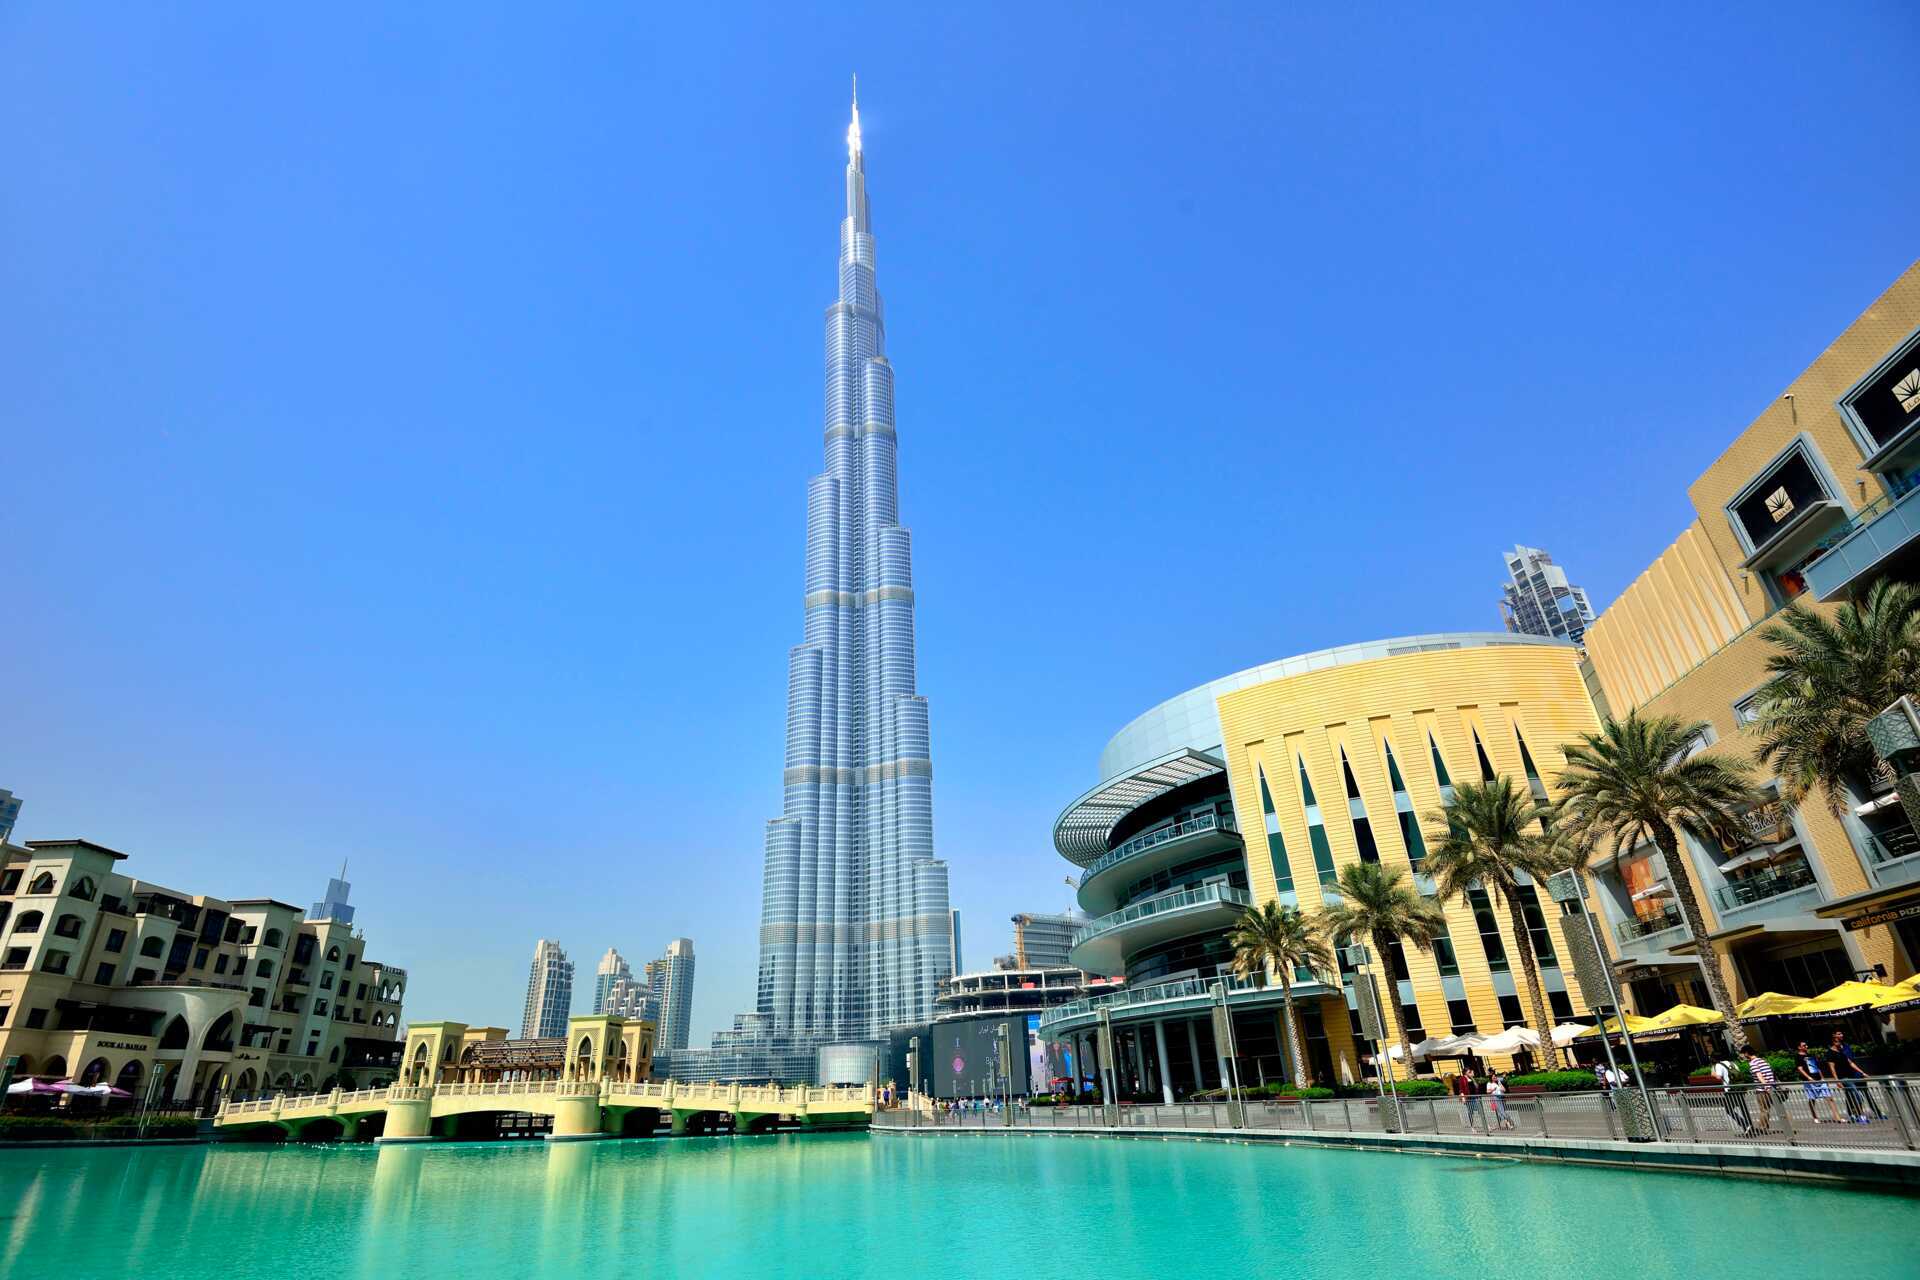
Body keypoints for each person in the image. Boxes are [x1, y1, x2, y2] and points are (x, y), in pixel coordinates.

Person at [1827, 1032, 1882, 1122]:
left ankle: (1854, 1115)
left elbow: (1851, 1063)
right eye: (1837, 1042)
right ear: (1833, 1042)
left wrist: (1862, 1072)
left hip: (1851, 1075)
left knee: (1852, 1095)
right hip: (1843, 1078)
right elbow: (1832, 1068)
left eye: (1839, 1042)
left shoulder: (1842, 1051)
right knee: (1857, 1096)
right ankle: (1861, 1116)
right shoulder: (1830, 1053)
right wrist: (1837, 1081)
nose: (1839, 1044)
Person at [1796, 1041, 1843, 1124]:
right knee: (1812, 1099)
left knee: (1829, 1097)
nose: (1806, 1046)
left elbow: (1817, 1067)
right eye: (1804, 1045)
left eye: (1806, 1045)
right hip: (1809, 1081)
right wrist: (1808, 1078)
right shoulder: (1798, 1057)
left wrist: (1823, 1078)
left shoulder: (1810, 1056)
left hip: (1818, 1078)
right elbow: (1800, 1069)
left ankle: (1837, 1117)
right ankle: (1815, 1117)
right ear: (1799, 1047)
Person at [1710, 1057, 1753, 1136]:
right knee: (1743, 1108)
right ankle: (1750, 1127)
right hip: (1739, 1088)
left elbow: (1718, 1077)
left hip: (1730, 1090)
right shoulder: (1732, 1063)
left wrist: (1713, 1071)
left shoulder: (1718, 1065)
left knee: (1729, 1110)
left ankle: (1745, 1125)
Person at [1744, 1051, 1776, 1133]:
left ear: (1746, 1053)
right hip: (1771, 1087)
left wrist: (1766, 1086)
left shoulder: (1753, 1063)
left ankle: (1761, 1128)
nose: (1743, 1056)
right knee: (1773, 1107)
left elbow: (1759, 1076)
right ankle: (1765, 1126)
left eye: (1743, 1054)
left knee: (1764, 1109)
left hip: (1762, 1090)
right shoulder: (1763, 1061)